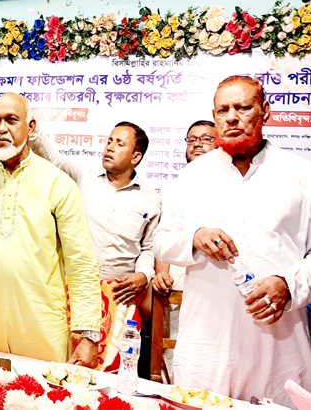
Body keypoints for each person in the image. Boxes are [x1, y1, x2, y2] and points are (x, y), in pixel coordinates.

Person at [153, 75, 311, 408]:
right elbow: (163, 242)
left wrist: (289, 284)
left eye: (243, 108)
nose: (232, 117)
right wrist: (195, 237)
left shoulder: (300, 174)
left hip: (280, 344)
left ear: (265, 111)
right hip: (208, 345)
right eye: (223, 110)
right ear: (214, 117)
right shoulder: (192, 176)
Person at [0, 93, 101, 365]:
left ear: (31, 128)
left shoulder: (59, 184)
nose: (1, 129)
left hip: (41, 328)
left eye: (11, 120)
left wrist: (89, 336)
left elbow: (80, 262)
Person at [29, 122, 161, 309]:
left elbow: (148, 248)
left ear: (135, 157)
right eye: (109, 141)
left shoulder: (151, 198)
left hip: (119, 296)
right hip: (73, 289)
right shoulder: (85, 176)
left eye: (120, 144)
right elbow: (53, 158)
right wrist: (32, 130)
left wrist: (143, 275)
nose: (110, 147)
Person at [152, 120, 217, 295]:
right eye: (192, 139)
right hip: (174, 283)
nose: (197, 144)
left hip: (215, 281)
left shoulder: (233, 184)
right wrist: (162, 273)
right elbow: (165, 234)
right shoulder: (171, 187)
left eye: (206, 139)